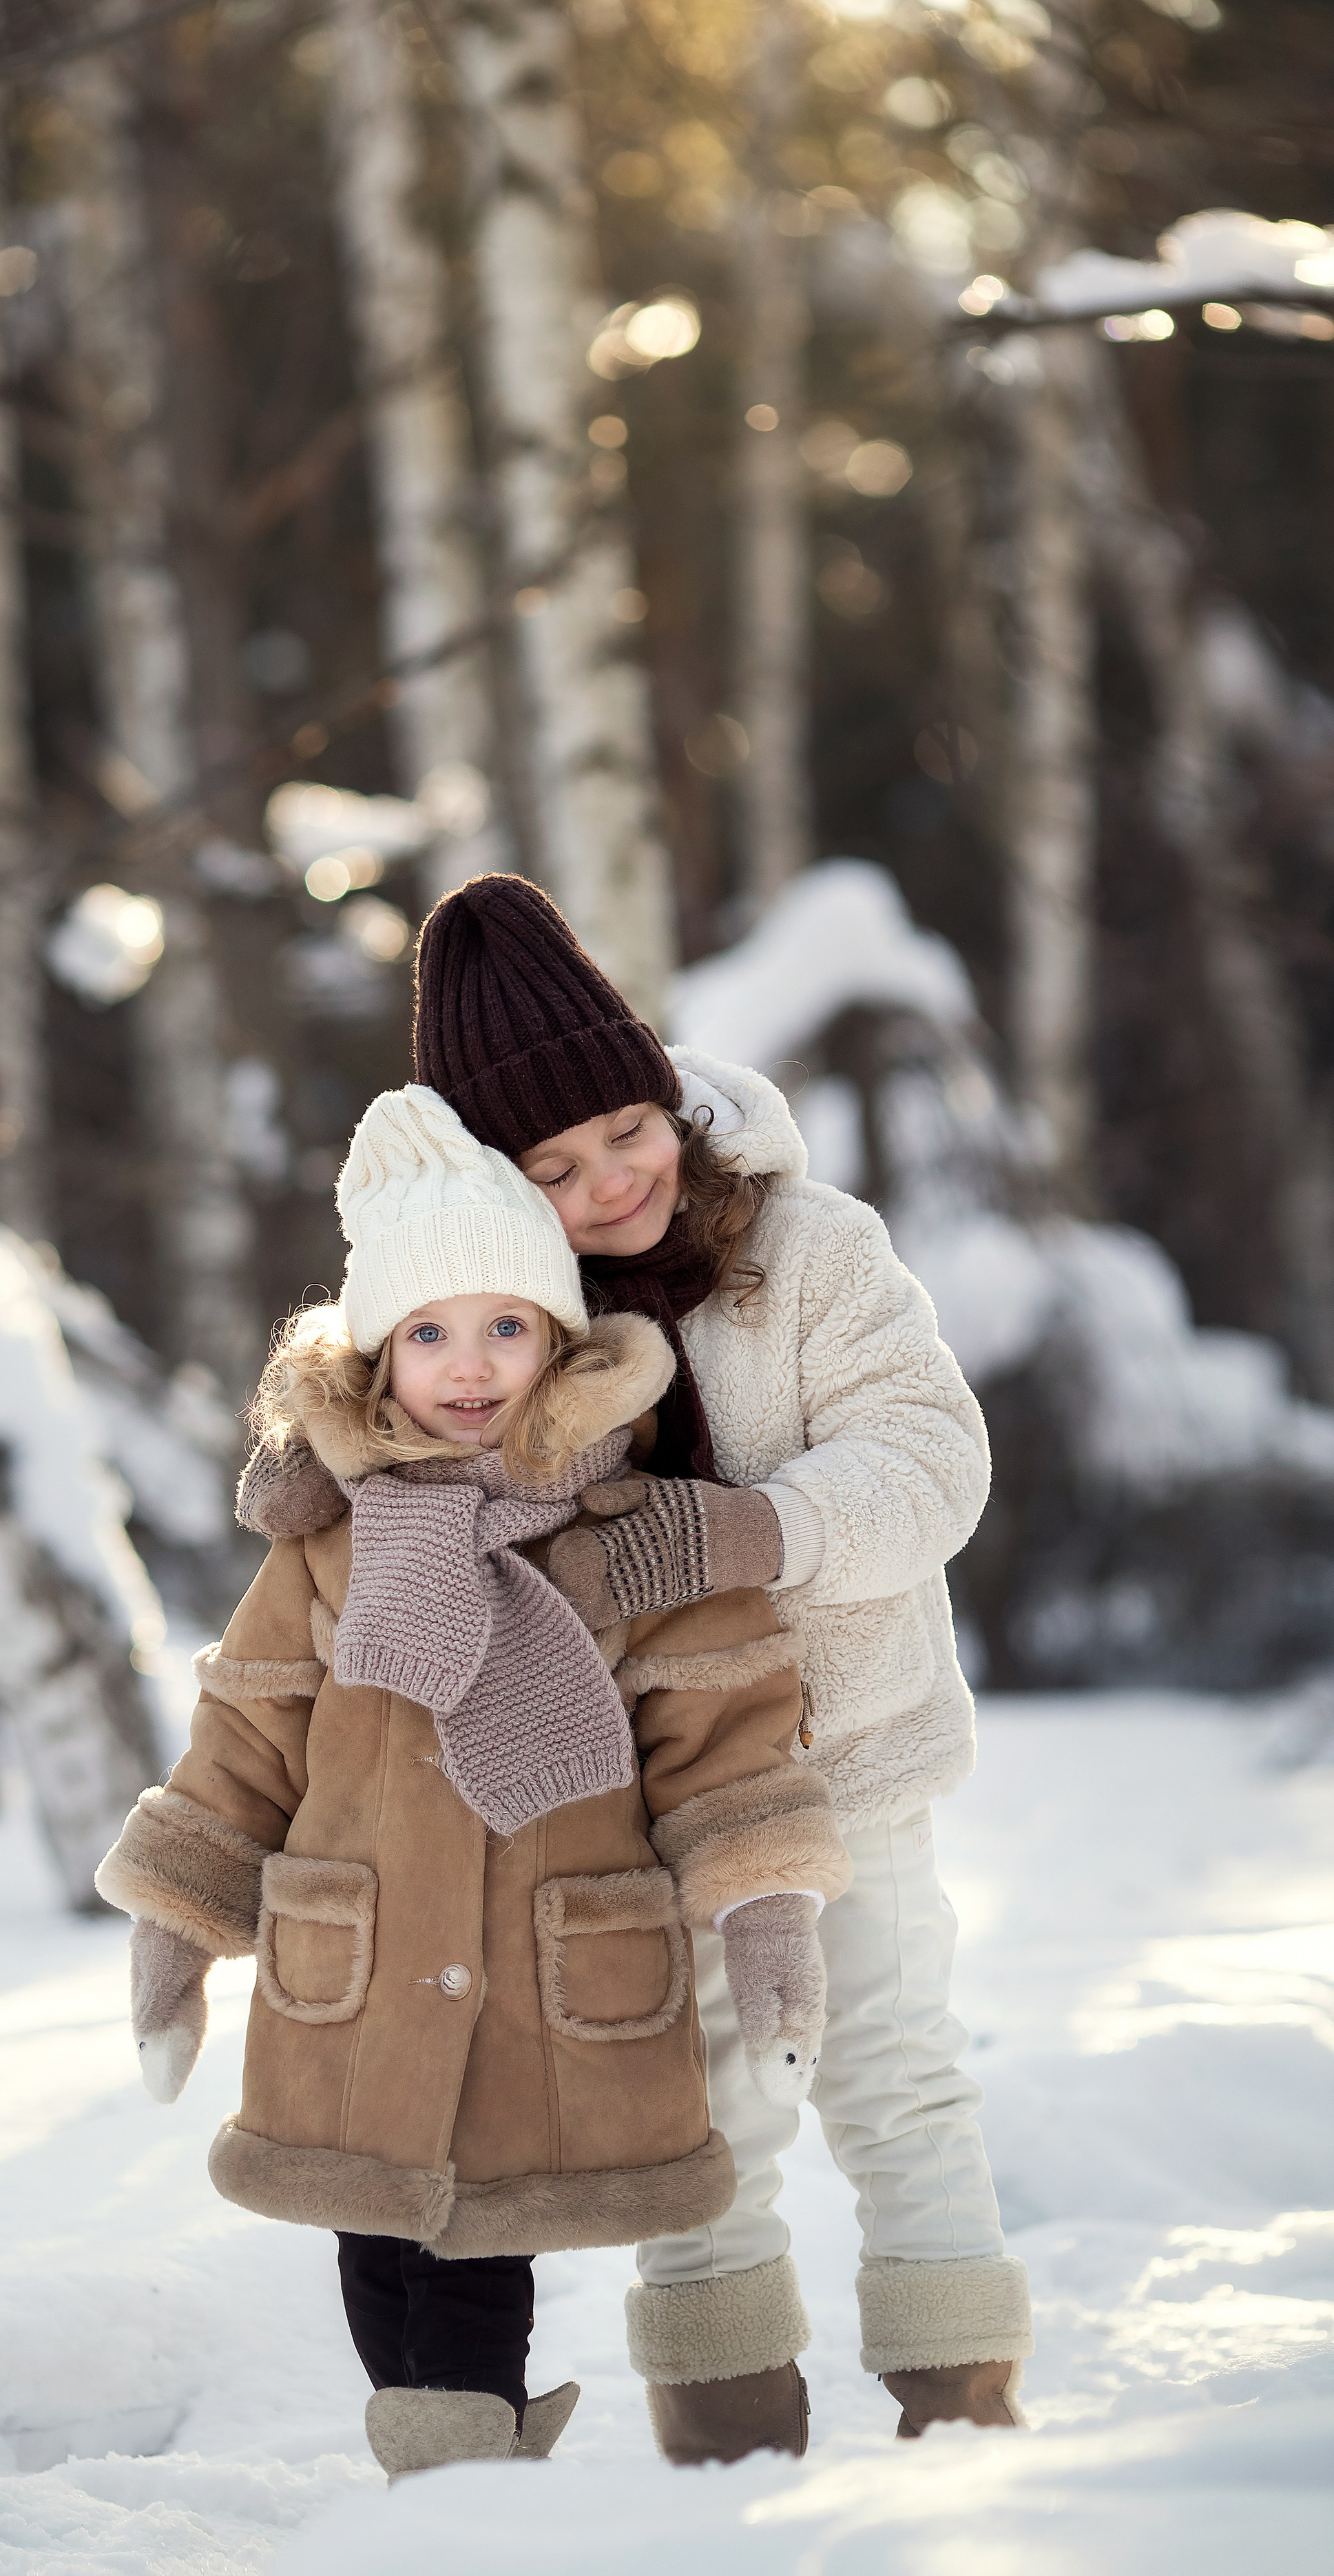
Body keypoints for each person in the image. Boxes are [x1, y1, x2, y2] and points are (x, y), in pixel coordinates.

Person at [98, 1083, 849, 2479]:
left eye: (505, 1325)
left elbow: (724, 1726)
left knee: (473, 2239)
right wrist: (179, 1917)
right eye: (429, 1331)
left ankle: (456, 2486)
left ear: (558, 1339)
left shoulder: (623, 1533)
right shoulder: (328, 1545)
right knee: (374, 2233)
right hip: (361, 1963)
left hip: (538, 1973)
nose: (467, 1363)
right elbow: (247, 1731)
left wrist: (764, 1904)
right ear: (378, 1356)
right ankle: (464, 2448)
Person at [403, 871, 1031, 2463]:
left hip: (850, 1756)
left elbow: (927, 1458)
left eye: (623, 1129)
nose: (608, 1179)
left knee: (888, 2067)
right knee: (691, 2121)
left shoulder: (812, 1250)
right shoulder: (505, 1321)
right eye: (551, 1167)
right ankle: (728, 2443)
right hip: (640, 1793)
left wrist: (747, 1534)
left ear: (661, 1091)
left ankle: (959, 2409)